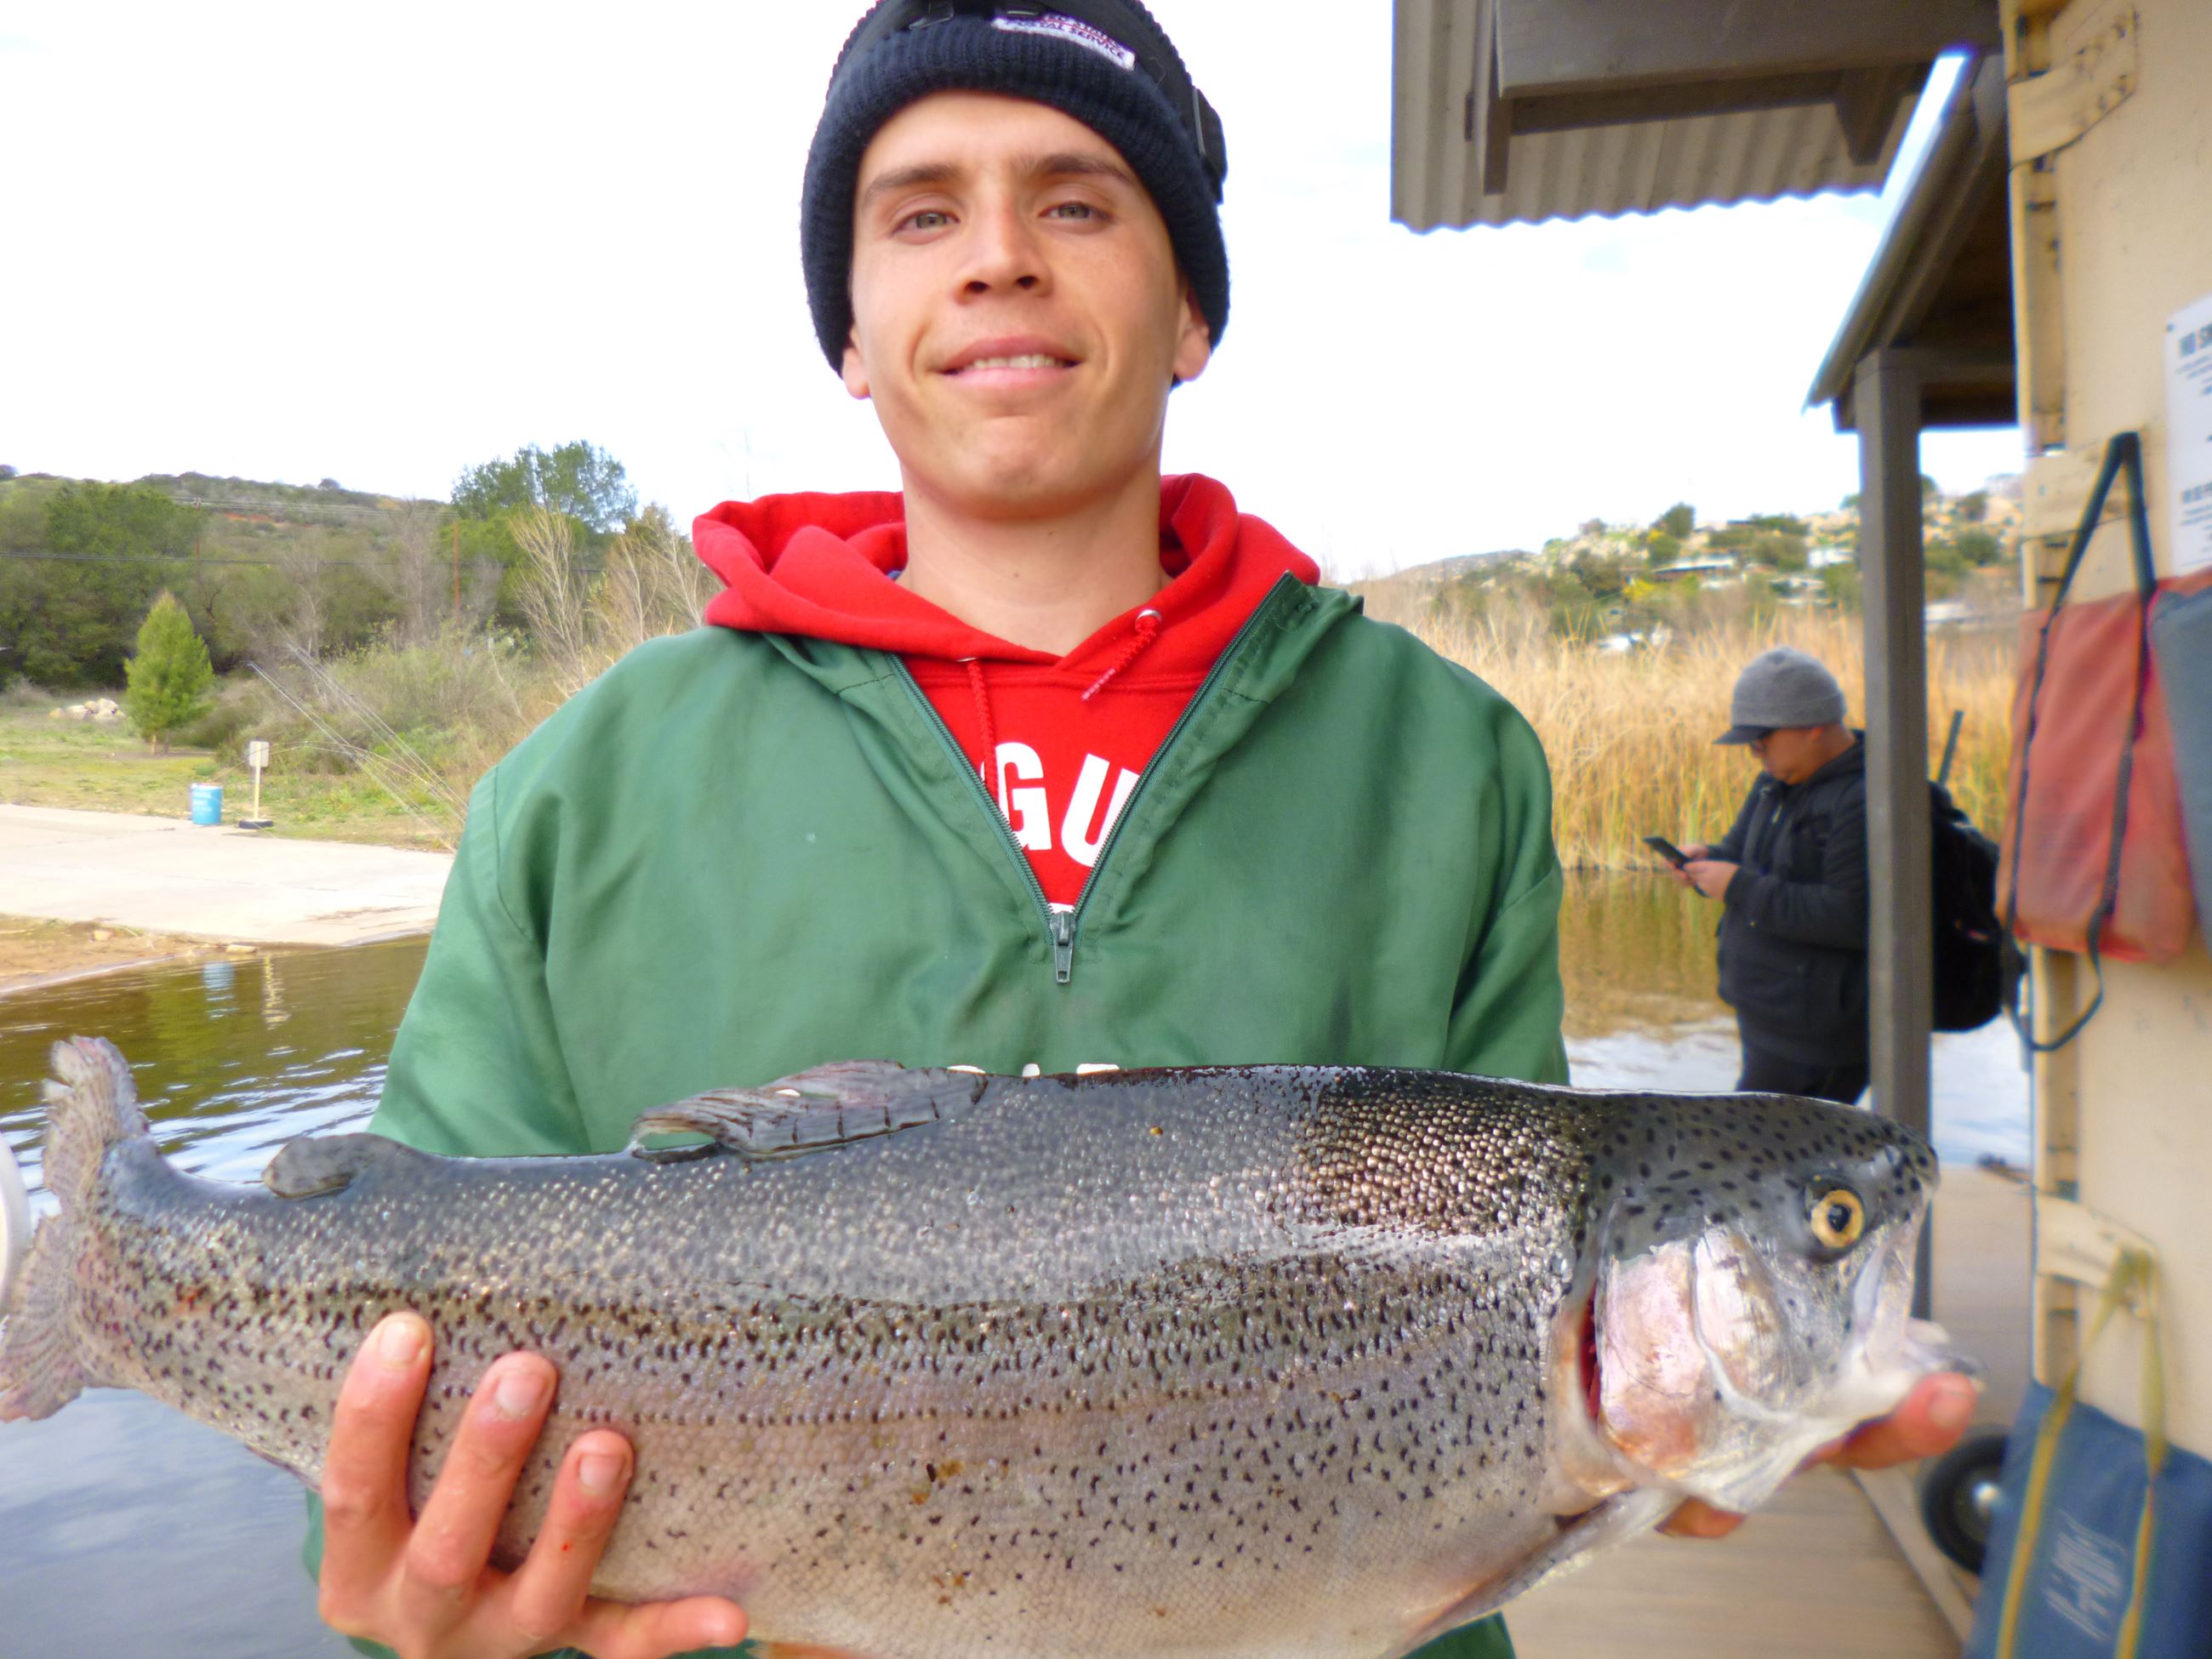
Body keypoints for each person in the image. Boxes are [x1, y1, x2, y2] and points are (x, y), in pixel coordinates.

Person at [305, 9, 1978, 1658]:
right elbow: (383, 1378)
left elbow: (1526, 1304)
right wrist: (420, 1603)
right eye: (919, 211)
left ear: (1189, 307)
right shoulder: (575, 791)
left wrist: (1617, 1461)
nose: (998, 259)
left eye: (1079, 198)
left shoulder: (1447, 759)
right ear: (847, 324)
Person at [1675, 647, 1873, 1104]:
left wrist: (1735, 885)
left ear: (1813, 727)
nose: (1755, 754)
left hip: (1816, 1037)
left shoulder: (1866, 797)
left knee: (1771, 1165)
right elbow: (1741, 856)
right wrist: (1708, 860)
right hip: (1770, 1014)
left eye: (1761, 741)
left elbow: (1850, 916)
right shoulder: (1775, 781)